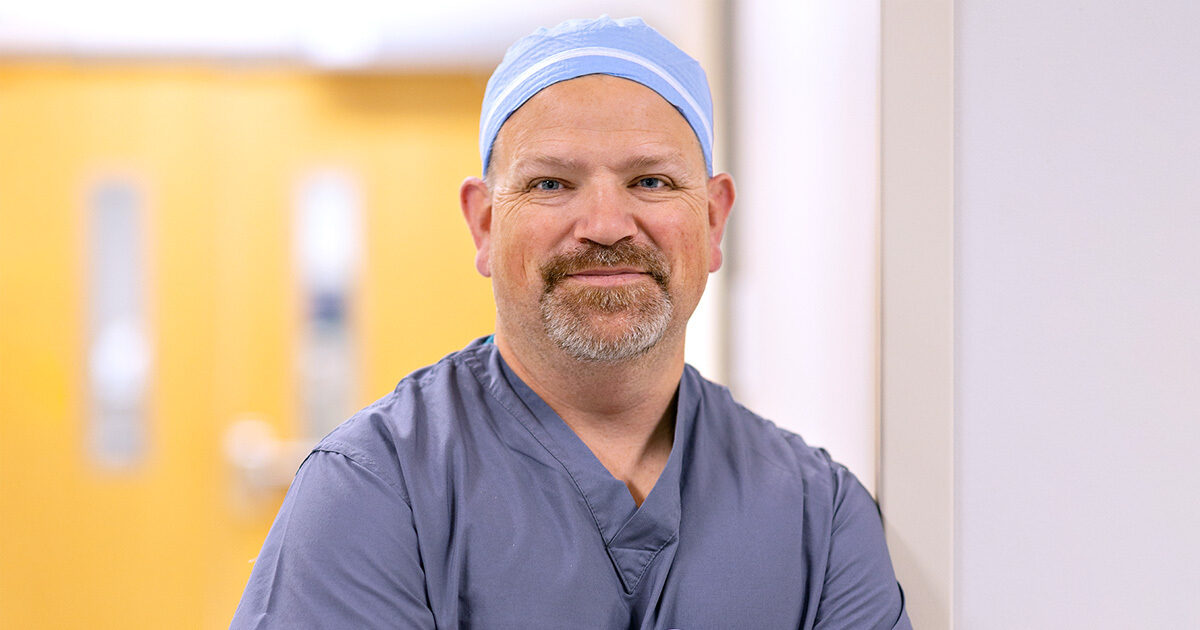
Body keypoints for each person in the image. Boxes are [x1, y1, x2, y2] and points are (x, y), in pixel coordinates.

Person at [231, 16, 910, 629]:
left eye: (651, 181)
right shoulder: (374, 491)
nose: (607, 226)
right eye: (552, 184)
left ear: (711, 221)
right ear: (486, 223)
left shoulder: (817, 519)